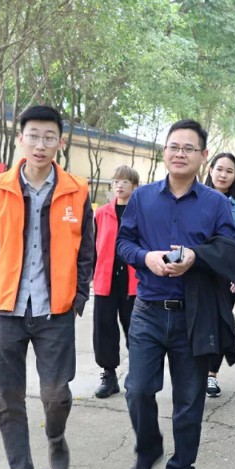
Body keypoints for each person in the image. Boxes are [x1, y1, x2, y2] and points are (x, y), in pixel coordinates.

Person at [0, 105, 94, 469]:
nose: (40, 145)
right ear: (21, 138)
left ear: (60, 143)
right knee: (9, 398)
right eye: (33, 136)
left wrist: (78, 296)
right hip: (7, 308)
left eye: (49, 137)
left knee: (56, 394)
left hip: (56, 311)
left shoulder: (76, 190)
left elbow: (87, 250)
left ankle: (55, 435)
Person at [117, 119, 235, 469]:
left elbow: (231, 251)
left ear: (203, 156)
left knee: (189, 403)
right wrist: (146, 258)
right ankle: (148, 449)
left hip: (194, 315)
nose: (180, 154)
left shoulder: (216, 203)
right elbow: (124, 243)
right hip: (148, 311)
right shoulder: (142, 198)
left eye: (189, 148)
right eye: (174, 146)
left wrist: (195, 257)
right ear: (164, 151)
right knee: (138, 389)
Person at [204, 152, 235, 398]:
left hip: (226, 275)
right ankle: (194, 372)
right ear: (210, 170)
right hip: (199, 270)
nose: (223, 175)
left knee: (220, 323)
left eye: (229, 171)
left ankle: (211, 374)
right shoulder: (195, 198)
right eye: (219, 169)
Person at [92, 165, 140, 398]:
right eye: (116, 181)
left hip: (134, 282)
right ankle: (109, 375)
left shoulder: (141, 214)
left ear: (135, 186)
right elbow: (92, 247)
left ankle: (138, 375)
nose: (119, 186)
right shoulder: (101, 214)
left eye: (125, 182)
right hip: (106, 279)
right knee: (104, 329)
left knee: (136, 330)